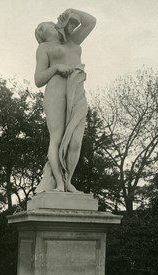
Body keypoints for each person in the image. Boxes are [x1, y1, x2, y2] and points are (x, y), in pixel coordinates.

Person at [34, 8, 96, 193]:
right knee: (57, 138)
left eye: (48, 24)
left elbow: (91, 22)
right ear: (41, 37)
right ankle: (60, 184)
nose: (45, 27)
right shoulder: (44, 48)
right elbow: (38, 80)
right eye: (41, 29)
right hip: (55, 90)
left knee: (75, 142)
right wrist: (56, 68)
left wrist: (71, 11)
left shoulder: (73, 41)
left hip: (76, 90)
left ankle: (68, 181)